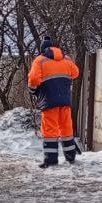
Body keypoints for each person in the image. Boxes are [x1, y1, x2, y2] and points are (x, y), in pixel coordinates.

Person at [27, 36, 80, 168]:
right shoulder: (66, 59)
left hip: (49, 101)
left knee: (50, 130)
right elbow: (76, 73)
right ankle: (70, 158)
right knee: (66, 129)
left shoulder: (39, 61)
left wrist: (33, 90)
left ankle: (51, 160)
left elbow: (33, 80)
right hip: (65, 100)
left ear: (42, 49)